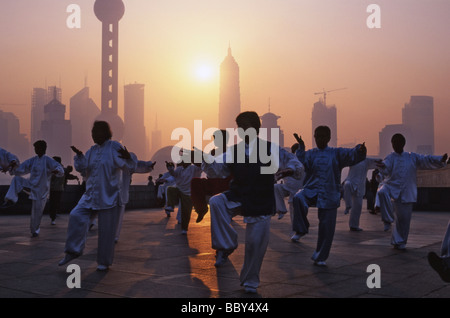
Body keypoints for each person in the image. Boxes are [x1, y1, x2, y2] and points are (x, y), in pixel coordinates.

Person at [200, 111, 304, 294]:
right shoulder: (234, 151)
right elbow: (217, 170)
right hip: (238, 195)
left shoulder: (271, 149)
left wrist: (290, 170)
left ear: (256, 129)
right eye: (241, 128)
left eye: (247, 127)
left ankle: (250, 281)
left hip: (260, 199)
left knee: (255, 244)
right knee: (217, 203)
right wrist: (205, 159)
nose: (243, 131)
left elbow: (293, 161)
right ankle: (226, 246)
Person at [58, 121, 136, 271]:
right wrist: (80, 156)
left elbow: (128, 166)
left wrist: (128, 158)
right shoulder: (92, 150)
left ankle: (104, 262)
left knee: (107, 231)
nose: (93, 135)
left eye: (96, 132)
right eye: (92, 132)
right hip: (90, 195)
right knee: (75, 215)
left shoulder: (114, 147)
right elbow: (82, 168)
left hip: (109, 196)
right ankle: (73, 251)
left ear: (104, 133)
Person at [291, 127, 366, 266]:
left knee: (327, 226)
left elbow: (351, 154)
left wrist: (360, 150)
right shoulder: (311, 154)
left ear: (328, 137)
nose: (320, 139)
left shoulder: (336, 153)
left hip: (329, 193)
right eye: (318, 136)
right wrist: (301, 146)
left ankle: (320, 257)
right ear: (314, 137)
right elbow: (301, 157)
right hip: (311, 190)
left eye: (323, 136)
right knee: (298, 198)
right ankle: (301, 229)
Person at [376, 133, 447, 250]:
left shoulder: (411, 157)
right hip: (392, 187)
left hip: (407, 192)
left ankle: (399, 242)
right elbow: (386, 166)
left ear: (403, 144)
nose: (396, 146)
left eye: (398, 143)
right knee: (381, 192)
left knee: (403, 220)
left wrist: (440, 159)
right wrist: (382, 166)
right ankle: (387, 220)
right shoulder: (390, 157)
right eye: (394, 143)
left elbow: (426, 159)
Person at [1, 141, 64, 237]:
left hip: (41, 190)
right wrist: (12, 166)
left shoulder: (48, 160)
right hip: (31, 185)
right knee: (17, 179)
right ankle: (10, 199)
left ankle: (35, 230)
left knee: (37, 211)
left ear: (43, 149)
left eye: (37, 148)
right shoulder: (32, 160)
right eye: (35, 148)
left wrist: (57, 171)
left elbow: (59, 167)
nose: (36, 150)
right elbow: (22, 168)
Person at [191, 129, 232, 223]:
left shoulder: (231, 153)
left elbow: (220, 171)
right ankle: (201, 209)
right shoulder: (212, 152)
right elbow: (207, 169)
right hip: (213, 181)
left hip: (226, 182)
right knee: (195, 182)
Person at [115, 153, 155, 242]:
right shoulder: (115, 162)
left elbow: (139, 165)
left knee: (118, 217)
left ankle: (115, 236)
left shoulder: (130, 165)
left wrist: (149, 164)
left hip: (121, 194)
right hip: (110, 193)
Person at [164, 153, 202, 234]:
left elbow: (200, 167)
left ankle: (184, 228)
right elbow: (173, 174)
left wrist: (194, 156)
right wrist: (170, 168)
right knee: (170, 189)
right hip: (179, 190)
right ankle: (171, 206)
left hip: (188, 194)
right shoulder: (179, 169)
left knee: (186, 212)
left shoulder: (193, 168)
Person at [342, 157, 379, 231]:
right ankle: (348, 206)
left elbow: (376, 161)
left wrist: (384, 162)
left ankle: (354, 225)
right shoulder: (352, 158)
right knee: (347, 185)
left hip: (360, 186)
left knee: (358, 206)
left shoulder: (366, 161)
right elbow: (343, 160)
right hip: (351, 182)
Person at [274, 143, 304, 222]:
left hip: (298, 189)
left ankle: (297, 229)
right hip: (287, 187)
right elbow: (279, 170)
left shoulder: (301, 160)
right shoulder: (287, 159)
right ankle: (281, 210)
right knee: (276, 187)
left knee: (295, 212)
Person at [48, 156, 66, 225]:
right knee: (56, 203)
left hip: (54, 189)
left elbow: (51, 178)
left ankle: (53, 218)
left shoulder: (55, 169)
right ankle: (53, 217)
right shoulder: (63, 169)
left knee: (53, 204)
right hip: (59, 189)